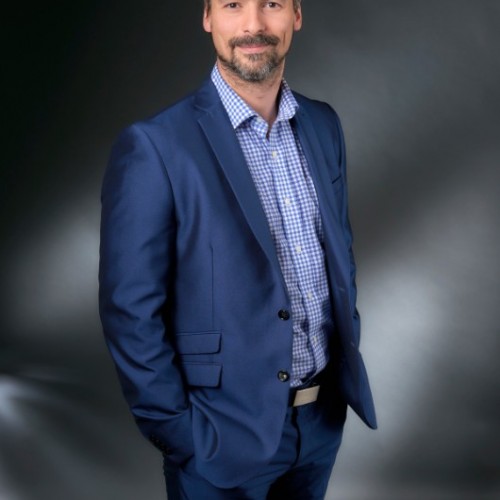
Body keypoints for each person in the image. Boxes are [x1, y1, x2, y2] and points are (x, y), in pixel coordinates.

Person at [99, 0, 376, 498]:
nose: (253, 24)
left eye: (271, 4)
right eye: (232, 4)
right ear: (208, 18)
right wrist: (180, 434)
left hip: (320, 423)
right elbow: (129, 309)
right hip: (218, 436)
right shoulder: (156, 146)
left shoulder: (322, 124)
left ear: (296, 15)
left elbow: (340, 253)